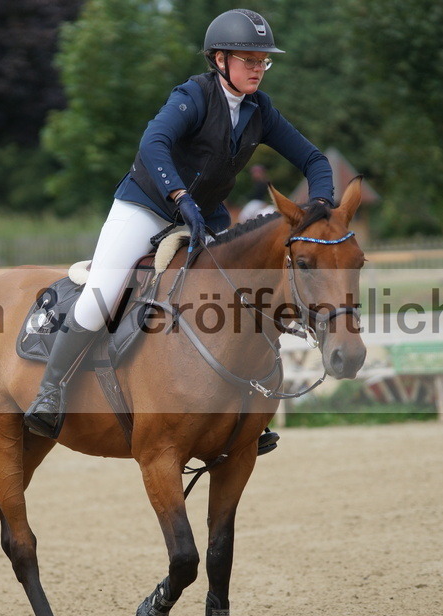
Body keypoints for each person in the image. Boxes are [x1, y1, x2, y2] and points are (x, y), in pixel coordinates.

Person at [24, 9, 334, 445]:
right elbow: (153, 144)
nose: (258, 69)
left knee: (244, 300)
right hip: (147, 206)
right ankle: (49, 393)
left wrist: (322, 204)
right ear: (220, 60)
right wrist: (179, 197)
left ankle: (245, 410)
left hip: (203, 215)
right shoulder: (193, 95)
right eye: (249, 60)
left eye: (263, 61)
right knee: (101, 296)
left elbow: (315, 160)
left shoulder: (260, 111)